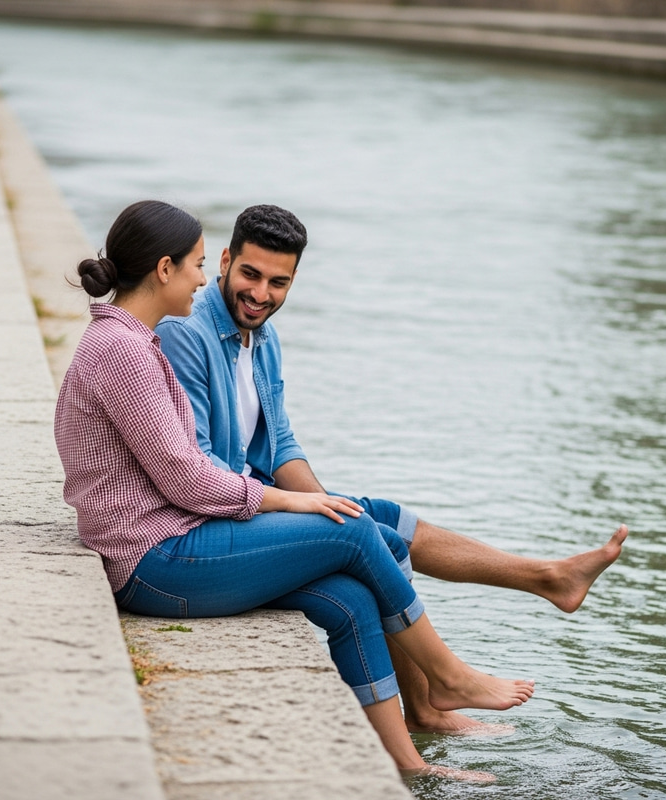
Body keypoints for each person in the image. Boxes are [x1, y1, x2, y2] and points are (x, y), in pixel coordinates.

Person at [54, 199, 537, 783]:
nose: (202, 280)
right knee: (357, 529)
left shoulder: (136, 341)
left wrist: (305, 506)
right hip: (154, 557)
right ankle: (449, 677)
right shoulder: (124, 351)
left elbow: (235, 455)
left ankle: (406, 764)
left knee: (350, 598)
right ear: (164, 269)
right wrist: (292, 503)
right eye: (197, 266)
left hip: (178, 539)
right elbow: (187, 478)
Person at [156, 203, 629, 735]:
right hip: (210, 518)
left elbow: (280, 443)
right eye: (250, 274)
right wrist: (308, 514)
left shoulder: (262, 338)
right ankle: (444, 683)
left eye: (278, 282)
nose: (261, 294)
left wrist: (325, 506)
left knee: (376, 521)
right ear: (225, 261)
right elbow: (195, 465)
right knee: (364, 535)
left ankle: (530, 597)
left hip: (246, 501)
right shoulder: (186, 333)